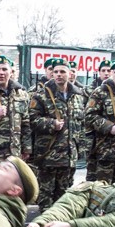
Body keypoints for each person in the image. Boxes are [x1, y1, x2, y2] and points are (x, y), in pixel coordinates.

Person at [28, 56, 86, 209]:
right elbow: (31, 119)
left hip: (69, 156)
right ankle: (45, 222)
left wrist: (80, 148)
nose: (59, 75)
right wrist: (51, 123)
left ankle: (60, 222)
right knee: (45, 196)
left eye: (63, 71)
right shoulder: (41, 95)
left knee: (64, 196)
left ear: (70, 74)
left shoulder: (78, 96)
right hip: (49, 154)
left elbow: (81, 124)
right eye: (56, 72)